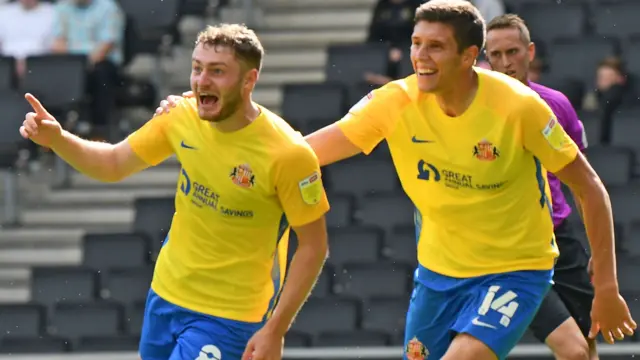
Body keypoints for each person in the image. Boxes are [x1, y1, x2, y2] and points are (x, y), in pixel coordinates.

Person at [155, 1, 636, 359]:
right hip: (439, 275)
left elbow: (590, 187)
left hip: (517, 268)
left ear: (470, 56)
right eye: (416, 44)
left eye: (436, 47)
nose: (420, 57)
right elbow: (301, 152)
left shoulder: (519, 107)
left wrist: (608, 286)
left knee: (469, 356)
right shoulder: (395, 102)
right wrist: (200, 119)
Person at [19, 24, 331, 360]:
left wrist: (276, 329)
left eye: (217, 71)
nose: (201, 81)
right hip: (165, 296)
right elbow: (112, 164)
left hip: (230, 315)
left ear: (249, 80)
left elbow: (314, 247)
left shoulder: (289, 153)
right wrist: (58, 139)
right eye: (197, 68)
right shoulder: (179, 116)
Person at [484, 13, 594, 360]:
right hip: (504, 248)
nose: (505, 63)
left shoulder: (556, 104)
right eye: (495, 55)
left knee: (585, 341)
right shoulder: (472, 109)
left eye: (513, 52)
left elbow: (583, 184)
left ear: (530, 51)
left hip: (558, 238)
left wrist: (596, 252)